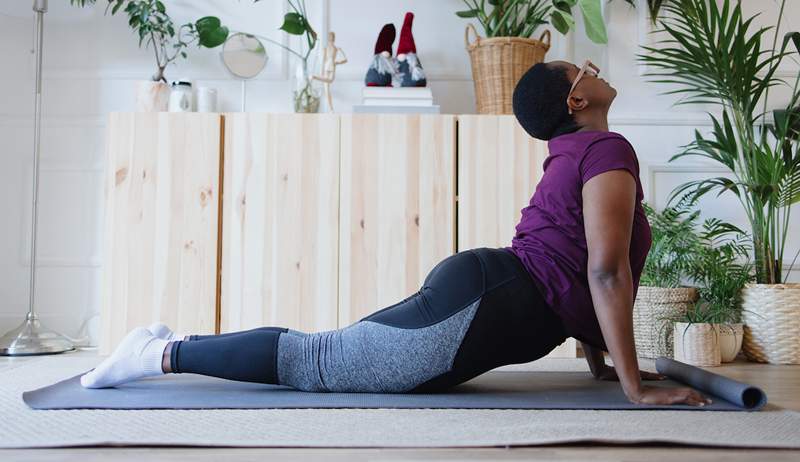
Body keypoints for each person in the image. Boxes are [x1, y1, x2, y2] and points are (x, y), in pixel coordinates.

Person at [80, 59, 712, 407]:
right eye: (584, 70)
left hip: (487, 293)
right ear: (576, 103)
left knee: (330, 353)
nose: (595, 69)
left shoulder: (588, 153)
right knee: (317, 363)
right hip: (482, 300)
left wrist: (604, 364)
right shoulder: (605, 151)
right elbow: (602, 271)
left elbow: (578, 264)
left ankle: (168, 343)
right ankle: (158, 353)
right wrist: (633, 388)